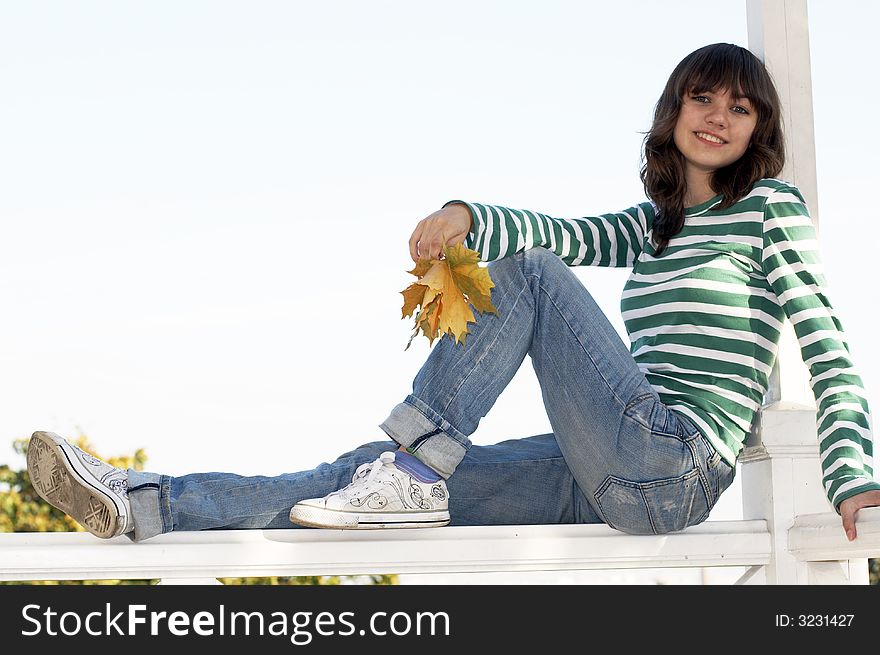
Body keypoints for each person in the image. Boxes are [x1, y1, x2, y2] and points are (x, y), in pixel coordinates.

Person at [28, 43, 879, 545]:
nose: (719, 118)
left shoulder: (772, 209)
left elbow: (827, 342)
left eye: (740, 107)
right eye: (704, 98)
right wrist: (469, 211)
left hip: (674, 464)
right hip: (604, 469)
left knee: (530, 280)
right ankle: (145, 500)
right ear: (675, 111)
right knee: (352, 482)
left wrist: (854, 478)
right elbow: (562, 230)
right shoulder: (651, 223)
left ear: (758, 127)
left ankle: (416, 459)